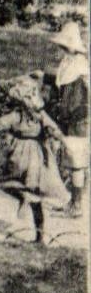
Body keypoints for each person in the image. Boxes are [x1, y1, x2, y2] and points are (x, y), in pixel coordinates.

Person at [0, 76, 69, 245]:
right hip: (21, 155)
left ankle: (39, 234)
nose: (29, 101)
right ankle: (34, 225)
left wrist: (62, 141)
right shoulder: (17, 115)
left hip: (35, 156)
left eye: (29, 98)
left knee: (32, 193)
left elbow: (54, 128)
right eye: (26, 98)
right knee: (21, 188)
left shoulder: (39, 115)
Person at [46, 21, 89, 218]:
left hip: (78, 121)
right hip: (71, 120)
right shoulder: (70, 62)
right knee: (73, 162)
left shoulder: (80, 67)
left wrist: (64, 114)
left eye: (63, 46)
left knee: (76, 163)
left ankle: (77, 205)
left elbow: (76, 98)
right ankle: (73, 201)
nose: (61, 49)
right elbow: (61, 82)